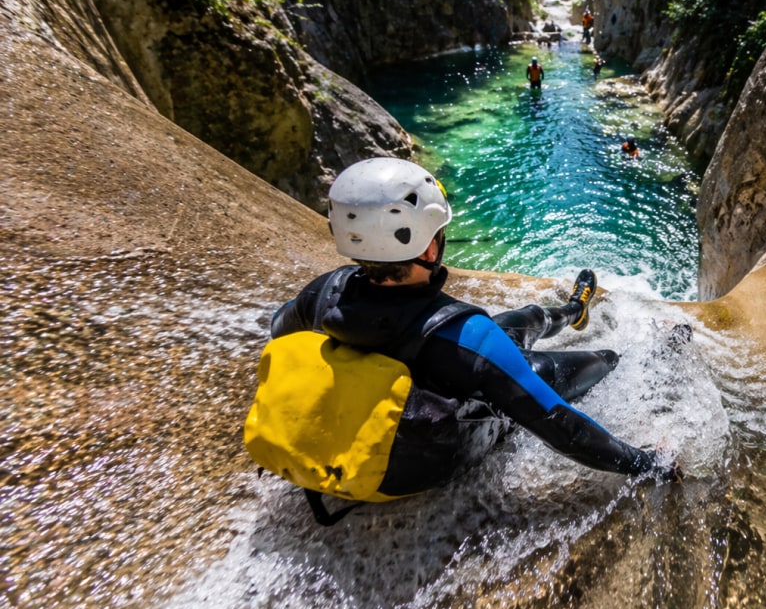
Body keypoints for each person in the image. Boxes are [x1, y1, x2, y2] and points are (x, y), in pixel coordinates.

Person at [265, 158, 679, 517]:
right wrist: (648, 463)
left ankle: (573, 310)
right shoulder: (466, 337)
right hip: (428, 452)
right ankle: (632, 354)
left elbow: (279, 331)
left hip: (375, 428)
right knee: (588, 360)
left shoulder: (322, 293)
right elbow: (560, 426)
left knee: (518, 322)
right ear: (430, 250)